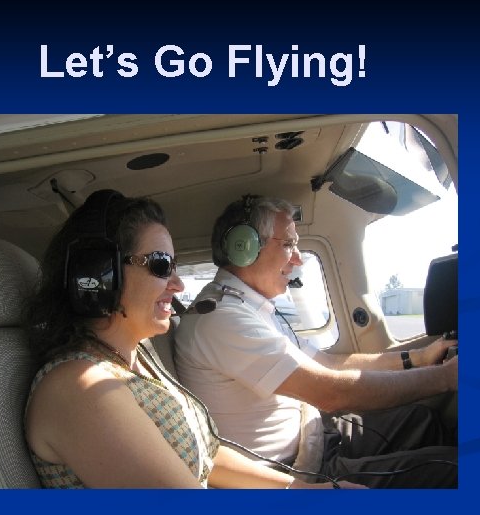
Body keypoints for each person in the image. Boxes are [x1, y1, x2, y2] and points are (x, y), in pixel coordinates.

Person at [23, 189, 364, 489]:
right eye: (160, 265)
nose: (178, 285)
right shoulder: (81, 388)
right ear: (101, 275)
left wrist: (303, 489)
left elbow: (207, 455)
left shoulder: (137, 359)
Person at [174, 195, 458, 488]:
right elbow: (331, 394)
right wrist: (445, 378)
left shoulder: (248, 308)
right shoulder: (223, 319)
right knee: (453, 468)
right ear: (244, 248)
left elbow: (329, 363)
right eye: (288, 244)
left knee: (422, 420)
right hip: (295, 471)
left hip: (312, 437)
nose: (297, 259)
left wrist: (417, 359)